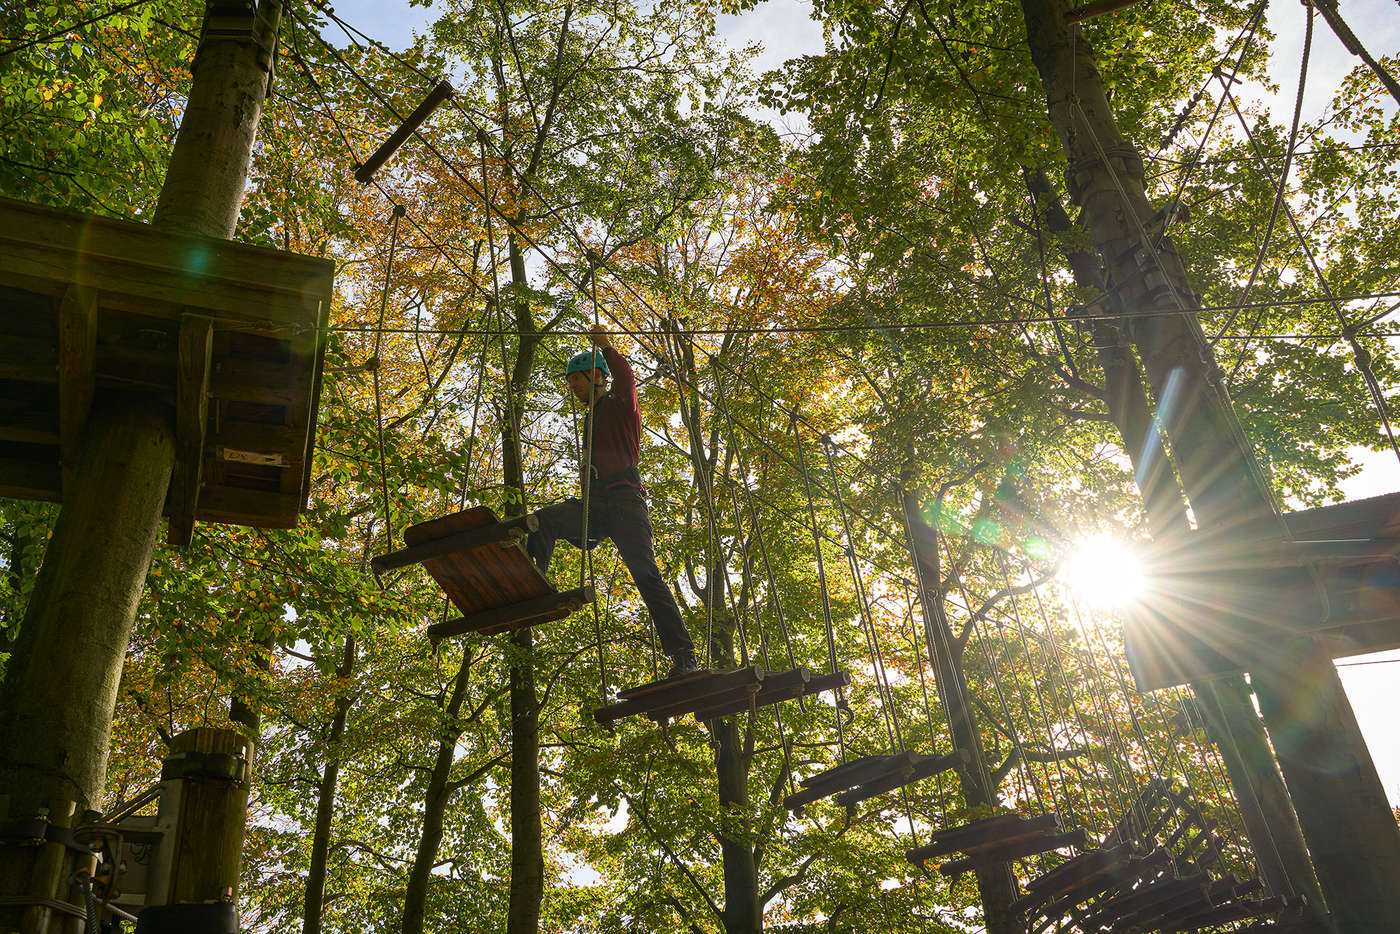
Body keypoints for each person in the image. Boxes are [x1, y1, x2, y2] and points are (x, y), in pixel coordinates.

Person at [526, 326, 700, 678]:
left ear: (597, 377)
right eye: (571, 381)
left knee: (646, 574)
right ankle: (535, 586)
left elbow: (626, 377)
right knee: (542, 521)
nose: (572, 386)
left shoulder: (621, 405)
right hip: (598, 505)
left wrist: (605, 346)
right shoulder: (591, 417)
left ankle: (684, 656)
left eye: (578, 379)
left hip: (625, 503)